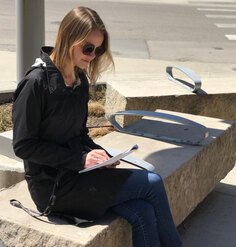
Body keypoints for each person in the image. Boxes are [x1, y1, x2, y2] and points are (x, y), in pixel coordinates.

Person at [12, 6, 182, 247]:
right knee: (152, 183)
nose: (92, 55)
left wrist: (102, 157)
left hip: (79, 175)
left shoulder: (80, 81)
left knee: (142, 210)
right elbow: (23, 146)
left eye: (98, 49)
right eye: (88, 48)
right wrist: (81, 160)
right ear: (68, 38)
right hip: (53, 187)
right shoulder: (35, 83)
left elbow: (79, 134)